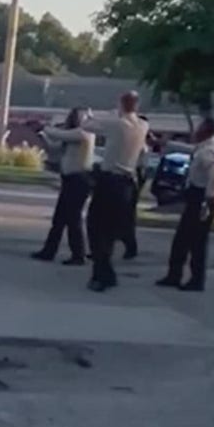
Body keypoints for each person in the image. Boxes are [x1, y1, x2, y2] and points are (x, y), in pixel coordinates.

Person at [81, 91, 150, 292]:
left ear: (121, 103)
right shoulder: (143, 126)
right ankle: (102, 273)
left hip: (109, 181)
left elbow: (87, 126)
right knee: (110, 231)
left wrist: (98, 114)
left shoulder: (117, 123)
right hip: (127, 182)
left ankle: (103, 274)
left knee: (95, 227)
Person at [156, 116, 214, 292]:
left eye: (199, 127)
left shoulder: (210, 152)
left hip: (201, 198)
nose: (195, 131)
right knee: (182, 240)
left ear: (206, 131)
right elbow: (191, 149)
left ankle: (196, 280)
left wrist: (207, 201)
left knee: (197, 242)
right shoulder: (205, 147)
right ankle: (174, 275)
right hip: (195, 195)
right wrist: (166, 143)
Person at [32, 107, 95, 265]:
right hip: (70, 179)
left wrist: (43, 127)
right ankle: (49, 251)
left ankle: (78, 255)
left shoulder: (84, 134)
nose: (78, 119)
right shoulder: (73, 135)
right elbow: (54, 147)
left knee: (73, 219)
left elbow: (59, 134)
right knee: (59, 218)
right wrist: (41, 134)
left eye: (81, 117)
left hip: (79, 179)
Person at [119, 116, 153, 259]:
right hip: (132, 176)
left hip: (134, 177)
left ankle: (130, 246)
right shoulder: (139, 143)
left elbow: (138, 165)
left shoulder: (142, 145)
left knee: (126, 215)